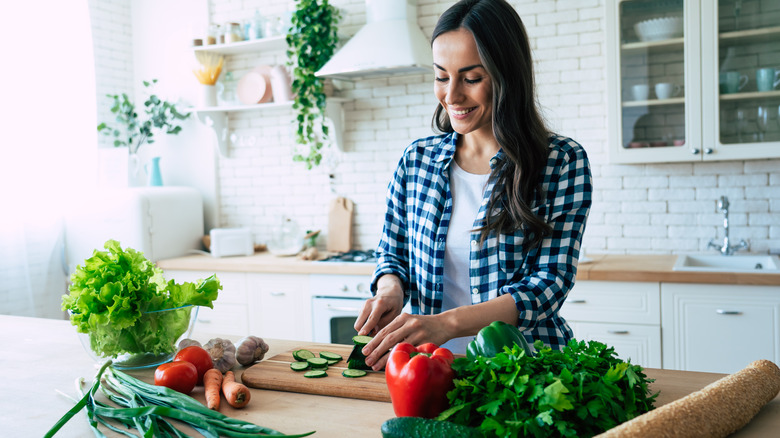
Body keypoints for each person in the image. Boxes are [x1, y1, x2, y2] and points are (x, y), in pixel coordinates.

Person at [354, 0, 592, 371]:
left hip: (526, 372)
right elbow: (392, 253)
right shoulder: (417, 161)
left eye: (471, 78)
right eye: (441, 76)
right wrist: (390, 289)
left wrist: (445, 324)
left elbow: (548, 285)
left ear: (506, 75)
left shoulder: (559, 162)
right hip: (429, 369)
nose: (451, 96)